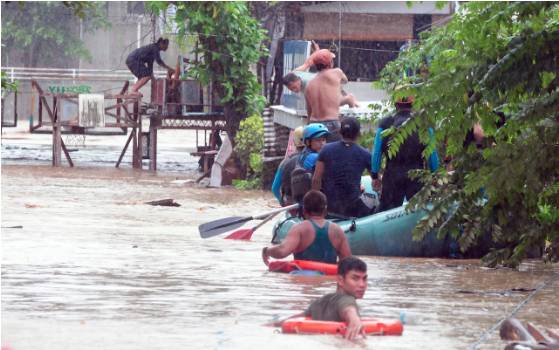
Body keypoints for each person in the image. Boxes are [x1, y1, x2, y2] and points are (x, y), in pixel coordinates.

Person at [275, 256, 368, 341]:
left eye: (364, 279)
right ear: (340, 280)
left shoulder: (320, 302)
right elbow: (348, 309)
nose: (362, 285)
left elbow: (293, 320)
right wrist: (354, 319)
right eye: (355, 278)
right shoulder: (347, 300)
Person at [371, 96, 439, 211]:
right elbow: (432, 155)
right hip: (417, 176)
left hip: (392, 176)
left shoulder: (385, 124)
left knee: (387, 214)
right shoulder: (423, 124)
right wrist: (435, 175)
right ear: (413, 105)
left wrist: (374, 175)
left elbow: (376, 152)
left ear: (395, 105)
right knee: (418, 213)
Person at [262, 190, 351, 265]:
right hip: (329, 281)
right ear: (325, 211)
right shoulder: (337, 230)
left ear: (304, 211)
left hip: (303, 277)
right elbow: (348, 262)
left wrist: (267, 251)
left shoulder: (299, 229)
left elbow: (282, 251)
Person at [312, 116, 376, 218]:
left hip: (330, 207)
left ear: (340, 132)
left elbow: (316, 180)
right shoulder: (365, 154)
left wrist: (316, 206)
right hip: (352, 208)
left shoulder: (326, 149)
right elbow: (376, 182)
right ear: (358, 134)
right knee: (373, 200)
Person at [304, 50, 352, 142]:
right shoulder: (337, 73)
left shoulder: (309, 85)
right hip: (331, 123)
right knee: (334, 154)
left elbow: (309, 112)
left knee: (317, 155)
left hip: (313, 125)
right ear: (331, 63)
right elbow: (345, 80)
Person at [290, 124, 329, 204]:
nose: (322, 143)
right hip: (313, 199)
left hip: (306, 198)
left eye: (324, 140)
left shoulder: (303, 154)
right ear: (308, 142)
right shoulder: (314, 157)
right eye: (318, 140)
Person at [271, 126, 305, 206]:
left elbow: (275, 189)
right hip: (308, 205)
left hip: (290, 204)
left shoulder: (285, 162)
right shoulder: (316, 159)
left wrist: (282, 202)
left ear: (294, 142)